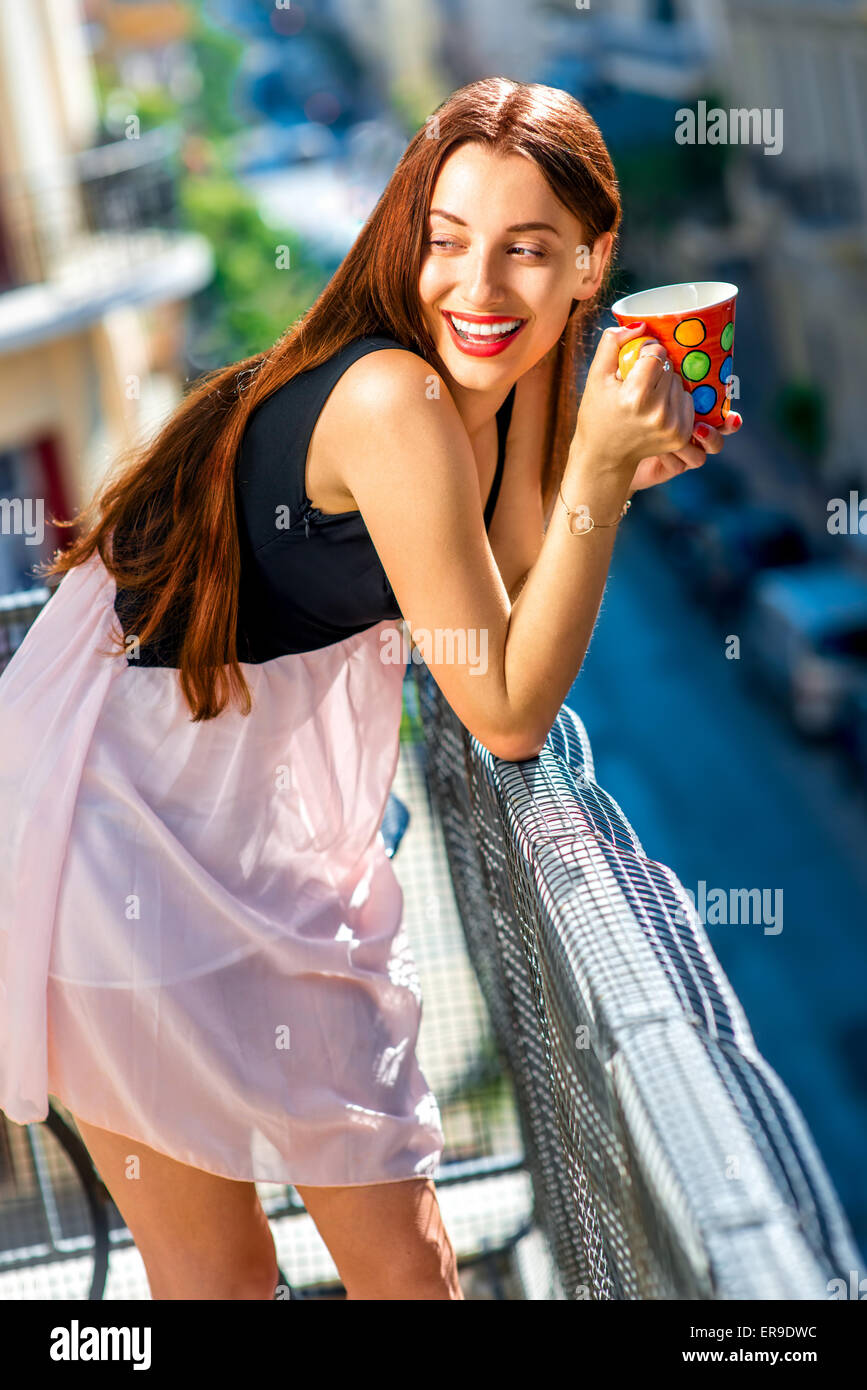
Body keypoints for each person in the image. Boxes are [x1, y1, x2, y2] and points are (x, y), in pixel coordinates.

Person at [0, 77, 742, 1301]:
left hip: (253, 843)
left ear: (590, 263)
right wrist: (595, 483)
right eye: (447, 242)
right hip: (108, 839)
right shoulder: (393, 394)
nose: (478, 288)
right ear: (409, 233)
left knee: (411, 1264)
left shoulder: (512, 391)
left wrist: (610, 471)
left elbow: (492, 603)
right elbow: (502, 707)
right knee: (222, 1282)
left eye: (527, 252)